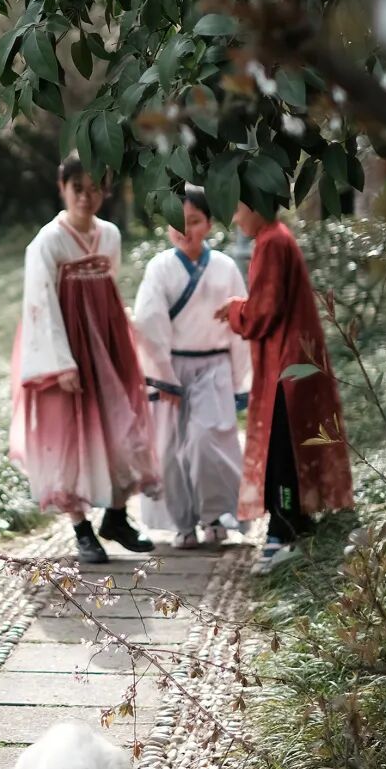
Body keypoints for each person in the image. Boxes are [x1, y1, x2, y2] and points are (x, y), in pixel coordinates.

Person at [10, 154, 160, 564]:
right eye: (78, 188)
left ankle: (117, 517)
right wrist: (60, 363)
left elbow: (110, 287)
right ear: (63, 188)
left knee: (119, 426)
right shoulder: (47, 242)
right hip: (65, 348)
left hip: (108, 346)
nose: (86, 197)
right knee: (69, 437)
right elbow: (40, 304)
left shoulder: (109, 235)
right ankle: (81, 527)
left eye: (94, 189)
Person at [214, 200, 354, 572]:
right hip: (293, 360)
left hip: (285, 365)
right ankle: (296, 523)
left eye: (239, 208)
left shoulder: (271, 242)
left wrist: (235, 310)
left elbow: (264, 311)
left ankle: (283, 531)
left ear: (257, 205)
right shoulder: (277, 237)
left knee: (281, 449)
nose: (236, 217)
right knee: (290, 445)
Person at [132, 186, 251, 548]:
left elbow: (240, 327)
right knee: (169, 449)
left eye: (194, 221)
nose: (185, 230)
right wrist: (162, 377)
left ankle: (215, 515)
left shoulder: (225, 267)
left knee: (207, 441)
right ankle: (181, 523)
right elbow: (148, 323)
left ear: (209, 224)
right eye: (177, 222)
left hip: (214, 366)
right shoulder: (159, 268)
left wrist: (240, 381)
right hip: (170, 368)